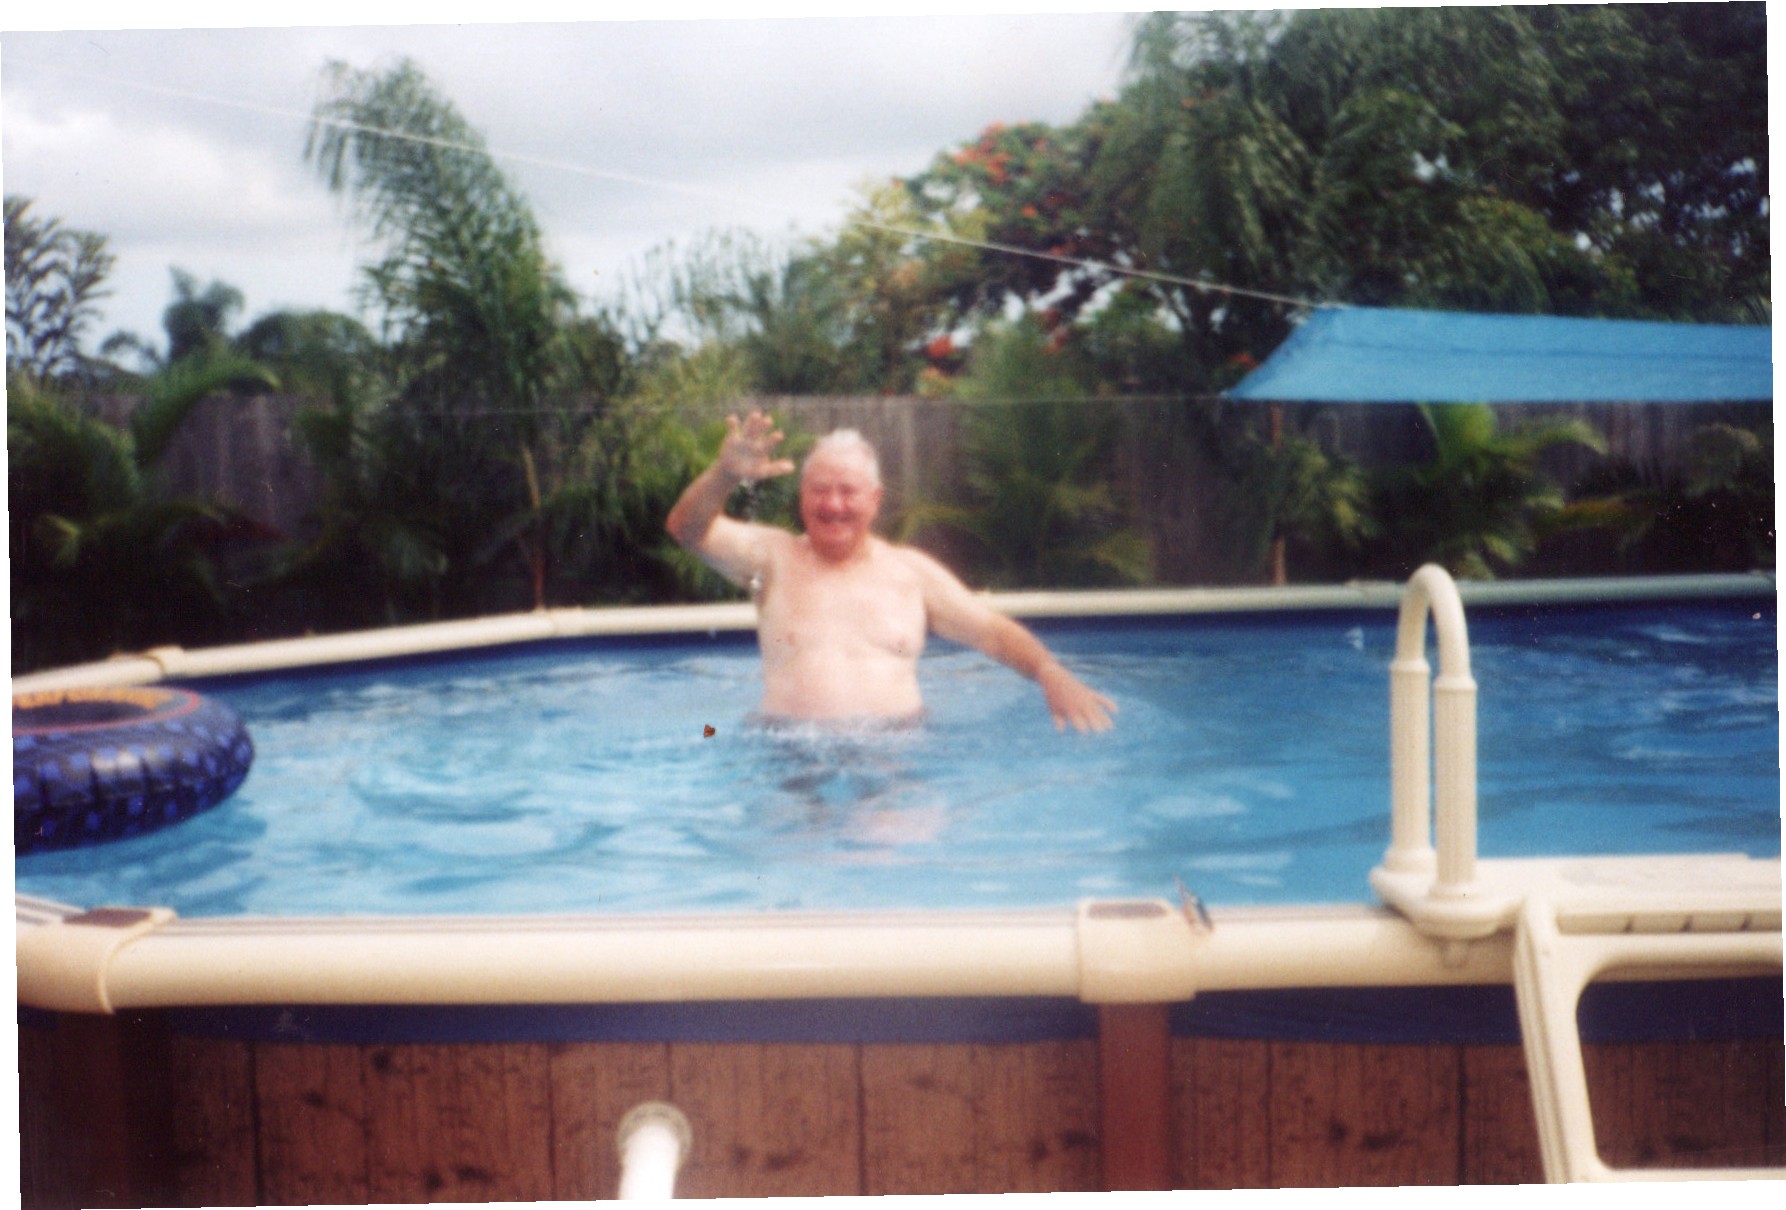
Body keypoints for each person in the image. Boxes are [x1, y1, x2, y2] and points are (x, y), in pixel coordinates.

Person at [666, 409, 1117, 732]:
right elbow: (686, 530)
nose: (833, 505)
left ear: (875, 500)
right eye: (820, 490)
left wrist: (1049, 671)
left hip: (894, 754)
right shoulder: (771, 558)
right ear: (802, 495)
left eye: (849, 491)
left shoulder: (912, 574)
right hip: (788, 753)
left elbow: (991, 632)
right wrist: (724, 476)